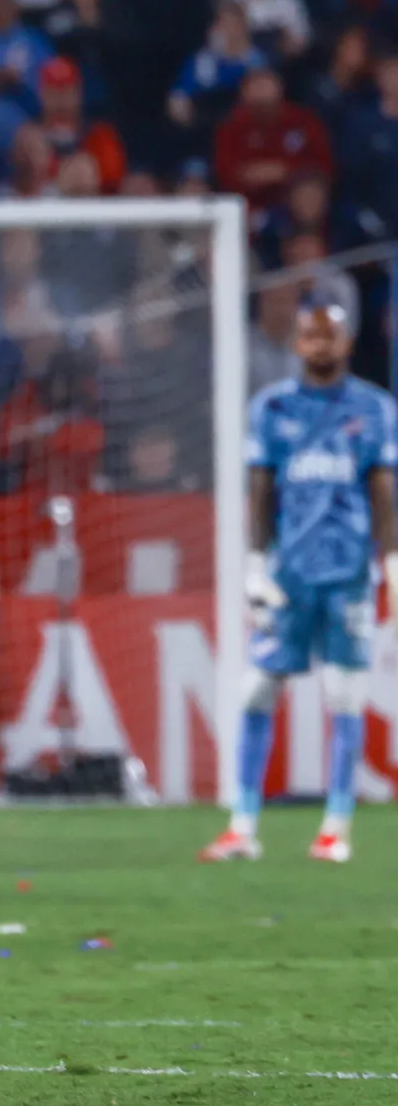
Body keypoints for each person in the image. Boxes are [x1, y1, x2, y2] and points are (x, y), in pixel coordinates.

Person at [202, 282, 398, 868]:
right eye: (310, 334)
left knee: (344, 693)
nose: (319, 344)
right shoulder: (272, 408)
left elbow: (382, 492)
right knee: (257, 689)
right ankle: (242, 826)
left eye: (329, 335)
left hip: (347, 574)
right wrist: (253, 564)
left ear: (347, 341)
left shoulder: (374, 409)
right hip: (288, 575)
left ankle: (335, 827)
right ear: (296, 341)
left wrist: (391, 562)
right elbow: (261, 488)